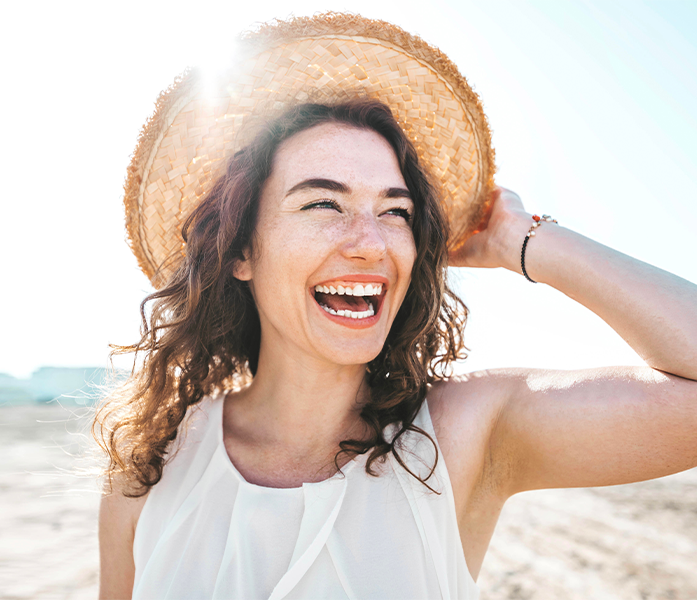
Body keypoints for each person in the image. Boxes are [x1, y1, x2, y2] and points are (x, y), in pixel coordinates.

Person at [94, 13, 697, 600]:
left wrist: (526, 240)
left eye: (396, 211)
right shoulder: (152, 464)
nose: (372, 244)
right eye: (323, 205)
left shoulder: (464, 433)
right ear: (240, 251)